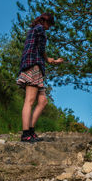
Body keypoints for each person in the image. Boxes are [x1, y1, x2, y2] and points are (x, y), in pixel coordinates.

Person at [16, 12, 64, 142]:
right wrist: (51, 60)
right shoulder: (40, 29)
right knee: (30, 100)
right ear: (46, 22)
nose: (50, 28)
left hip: (34, 66)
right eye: (50, 25)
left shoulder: (34, 29)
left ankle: (31, 131)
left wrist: (51, 61)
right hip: (33, 66)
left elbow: (40, 51)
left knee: (43, 101)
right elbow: (42, 50)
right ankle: (26, 134)